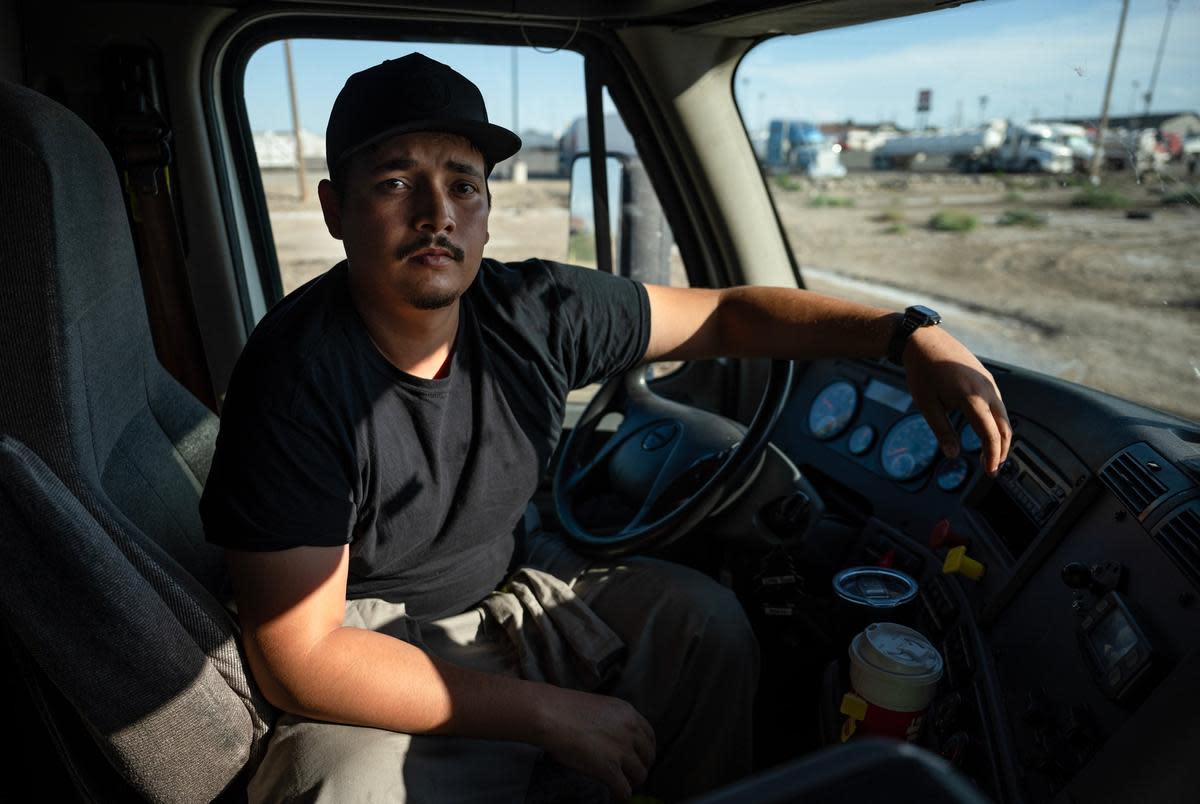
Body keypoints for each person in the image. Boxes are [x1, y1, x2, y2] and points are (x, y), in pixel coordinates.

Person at [200, 53, 1011, 803]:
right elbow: (299, 657)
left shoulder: (535, 312)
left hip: (512, 583)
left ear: (486, 212)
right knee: (343, 787)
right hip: (371, 633)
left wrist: (906, 335)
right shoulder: (293, 379)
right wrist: (548, 712)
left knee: (706, 628)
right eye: (394, 183)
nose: (436, 213)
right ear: (336, 210)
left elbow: (726, 319)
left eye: (464, 184)